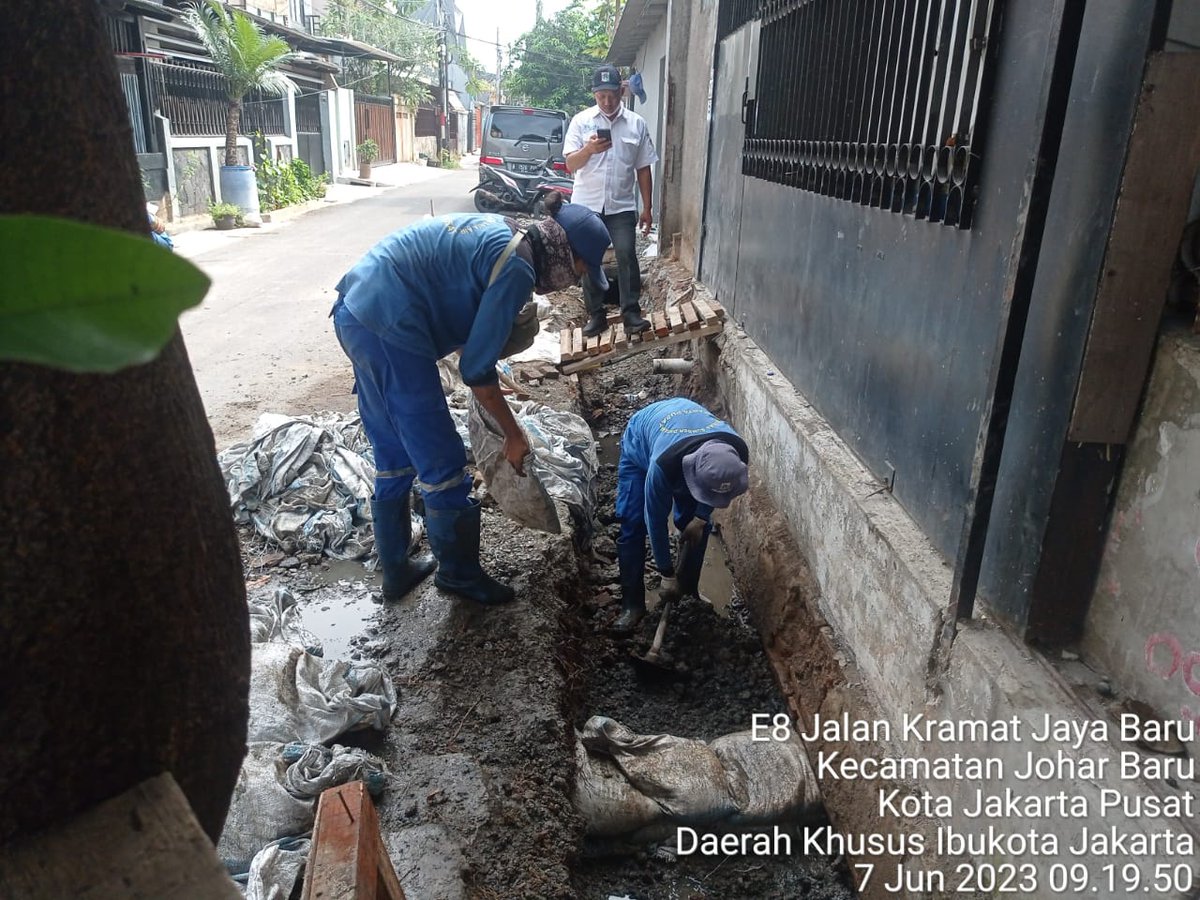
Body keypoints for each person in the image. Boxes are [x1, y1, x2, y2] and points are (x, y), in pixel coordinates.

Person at [332, 192, 611, 606]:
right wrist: (513, 434)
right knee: (441, 456)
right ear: (563, 252)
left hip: (358, 310)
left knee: (393, 449)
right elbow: (474, 373)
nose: (574, 282)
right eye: (581, 270)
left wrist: (490, 373)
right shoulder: (517, 268)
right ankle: (458, 575)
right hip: (391, 323)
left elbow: (463, 323)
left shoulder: (506, 235)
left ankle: (395, 570)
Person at [610, 397, 750, 635]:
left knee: (694, 527)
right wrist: (666, 573)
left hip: (690, 445)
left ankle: (688, 593)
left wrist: (701, 518)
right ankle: (632, 605)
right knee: (633, 524)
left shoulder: (735, 456)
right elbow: (654, 521)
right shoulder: (662, 464)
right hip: (641, 443)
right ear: (692, 473)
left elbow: (712, 495)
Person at [564, 64, 659, 339]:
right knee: (588, 259)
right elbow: (570, 164)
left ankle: (631, 313)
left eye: (612, 95)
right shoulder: (581, 122)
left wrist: (647, 207)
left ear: (621, 91)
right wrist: (589, 149)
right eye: (601, 95)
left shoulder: (636, 124)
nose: (607, 101)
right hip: (586, 207)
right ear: (594, 94)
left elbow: (643, 168)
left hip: (621, 206)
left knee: (627, 254)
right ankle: (596, 315)